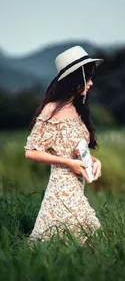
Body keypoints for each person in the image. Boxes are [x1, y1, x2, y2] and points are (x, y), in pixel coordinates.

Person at [24, 45, 103, 246]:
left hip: (78, 186)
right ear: (75, 80)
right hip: (60, 188)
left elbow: (77, 149)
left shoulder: (79, 110)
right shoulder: (51, 110)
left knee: (81, 241)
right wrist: (67, 163)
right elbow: (31, 152)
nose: (91, 83)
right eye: (88, 78)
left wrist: (94, 161)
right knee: (71, 239)